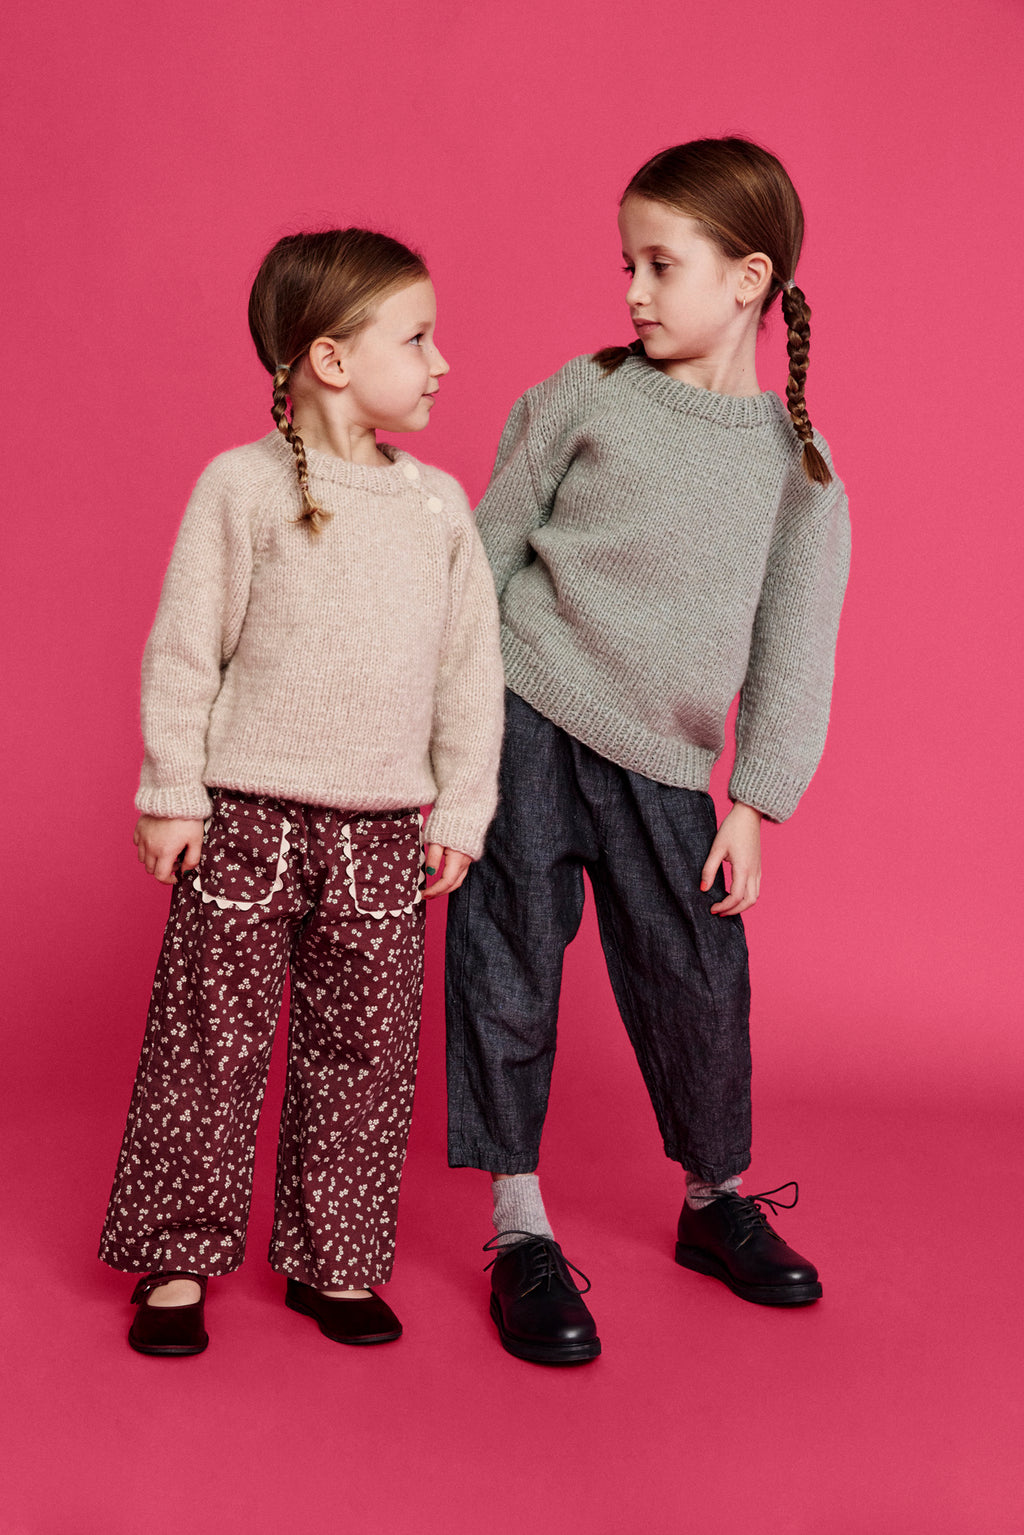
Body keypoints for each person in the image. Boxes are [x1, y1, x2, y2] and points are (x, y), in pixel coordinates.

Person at [445, 138, 851, 1364]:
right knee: (506, 961)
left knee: (698, 976)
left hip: (665, 763)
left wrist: (755, 803)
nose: (631, 289)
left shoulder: (798, 471)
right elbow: (480, 557)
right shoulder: (585, 395)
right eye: (625, 262)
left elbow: (792, 650)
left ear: (747, 277)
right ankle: (520, 1228)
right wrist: (451, 737)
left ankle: (712, 1200)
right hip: (522, 710)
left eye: (659, 264)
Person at [99, 228, 504, 1356]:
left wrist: (460, 809)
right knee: (207, 1045)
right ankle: (176, 1257)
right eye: (416, 338)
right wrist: (171, 789)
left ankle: (335, 1261)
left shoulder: (439, 509)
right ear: (331, 358)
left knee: (364, 1056)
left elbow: (470, 673)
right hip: (245, 823)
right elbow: (186, 649)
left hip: (383, 835)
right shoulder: (239, 488)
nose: (441, 361)